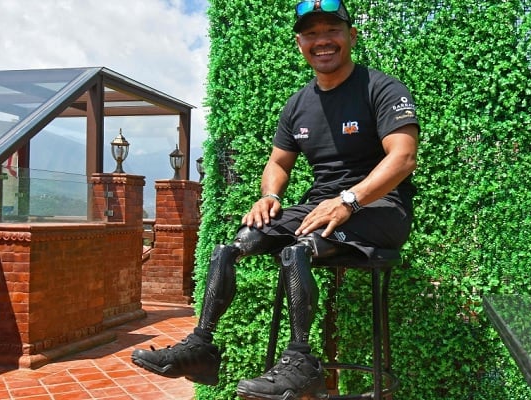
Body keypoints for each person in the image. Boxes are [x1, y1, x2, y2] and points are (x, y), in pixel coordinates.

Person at [131, 0, 419, 398]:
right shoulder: (298, 104)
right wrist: (269, 195)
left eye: (331, 30)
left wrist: (349, 200)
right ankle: (201, 347)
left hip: (381, 208)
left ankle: (302, 361)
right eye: (311, 33)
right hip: (320, 206)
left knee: (298, 250)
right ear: (300, 43)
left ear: (351, 36)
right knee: (234, 243)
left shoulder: (381, 88)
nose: (322, 41)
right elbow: (278, 162)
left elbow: (402, 157)